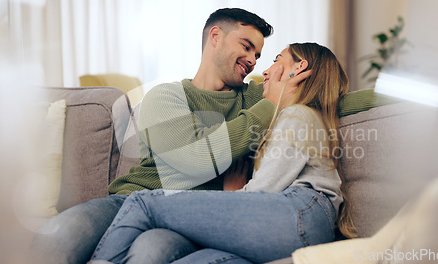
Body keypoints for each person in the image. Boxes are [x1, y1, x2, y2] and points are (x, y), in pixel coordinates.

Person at [31, 8, 308, 264]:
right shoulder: (166, 96)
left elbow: (334, 98)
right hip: (130, 200)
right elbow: (196, 160)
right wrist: (271, 105)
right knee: (59, 235)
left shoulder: (255, 98)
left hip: (187, 216)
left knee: (150, 251)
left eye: (258, 55)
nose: (252, 60)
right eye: (246, 47)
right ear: (215, 37)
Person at [89, 42, 356, 264]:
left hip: (300, 212)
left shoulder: (298, 115)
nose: (264, 70)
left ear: (299, 67)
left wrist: (233, 196)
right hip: (291, 223)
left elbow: (265, 191)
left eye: (276, 60)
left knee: (143, 202)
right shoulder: (292, 118)